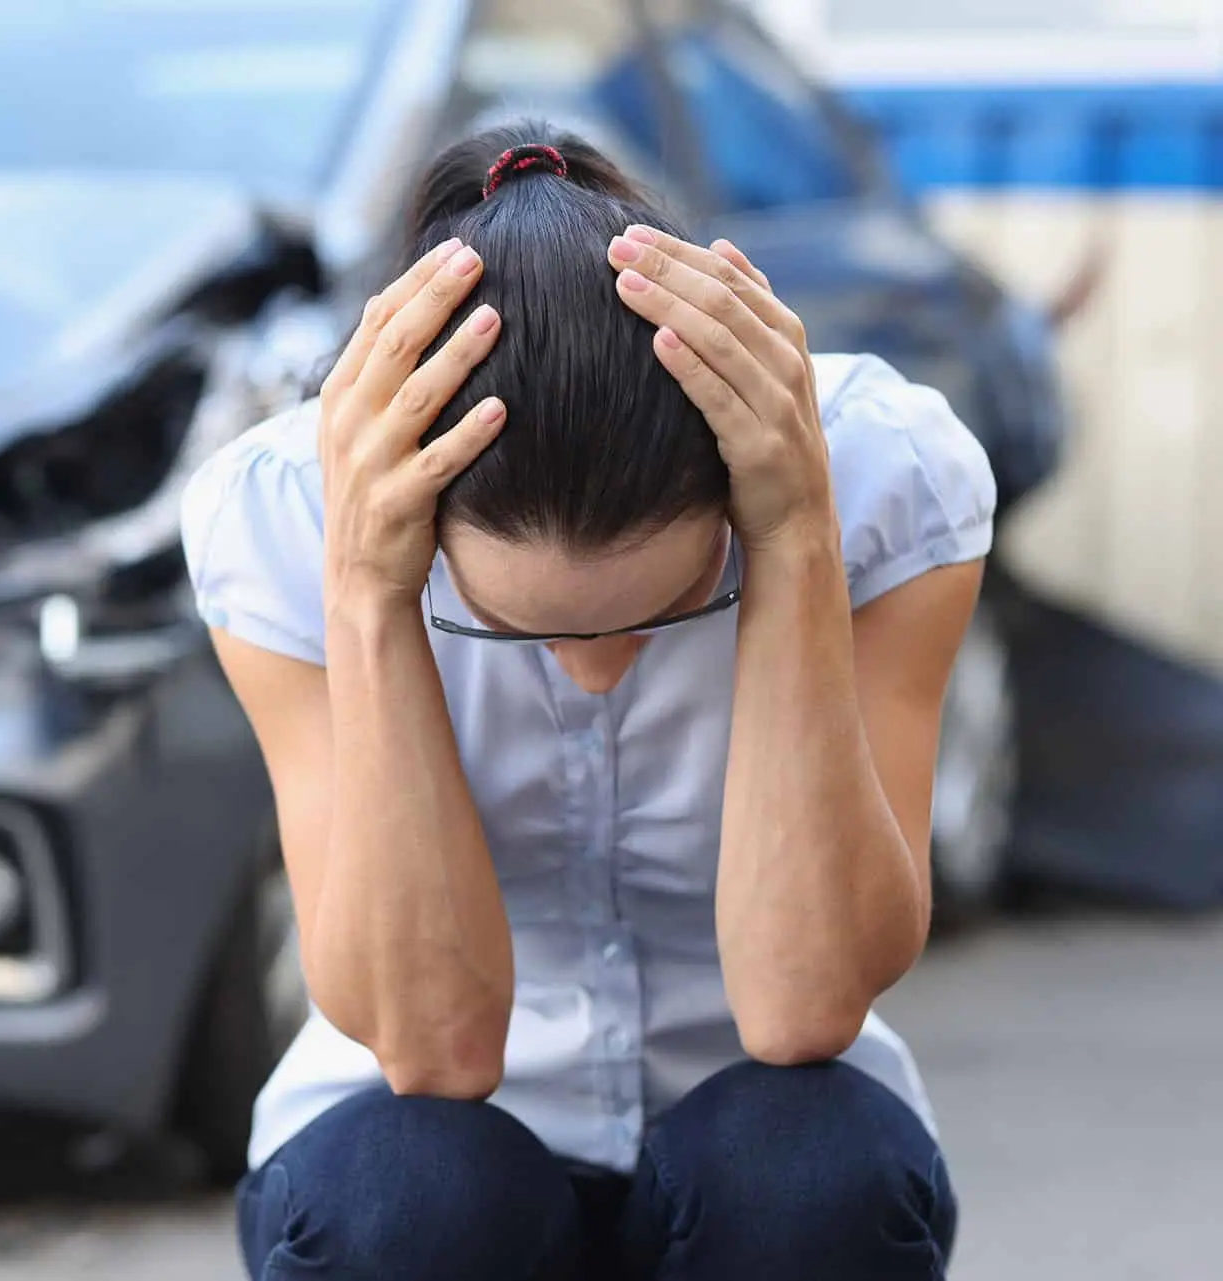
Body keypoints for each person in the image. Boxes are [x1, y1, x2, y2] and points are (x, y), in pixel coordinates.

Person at [179, 119, 988, 1280]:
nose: (591, 669)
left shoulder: (881, 478)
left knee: (812, 1167)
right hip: (423, 1169)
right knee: (415, 1191)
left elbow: (804, 1010)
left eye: (671, 608)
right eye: (510, 629)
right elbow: (434, 1049)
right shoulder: (286, 515)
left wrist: (795, 540)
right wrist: (369, 597)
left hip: (759, 1154)